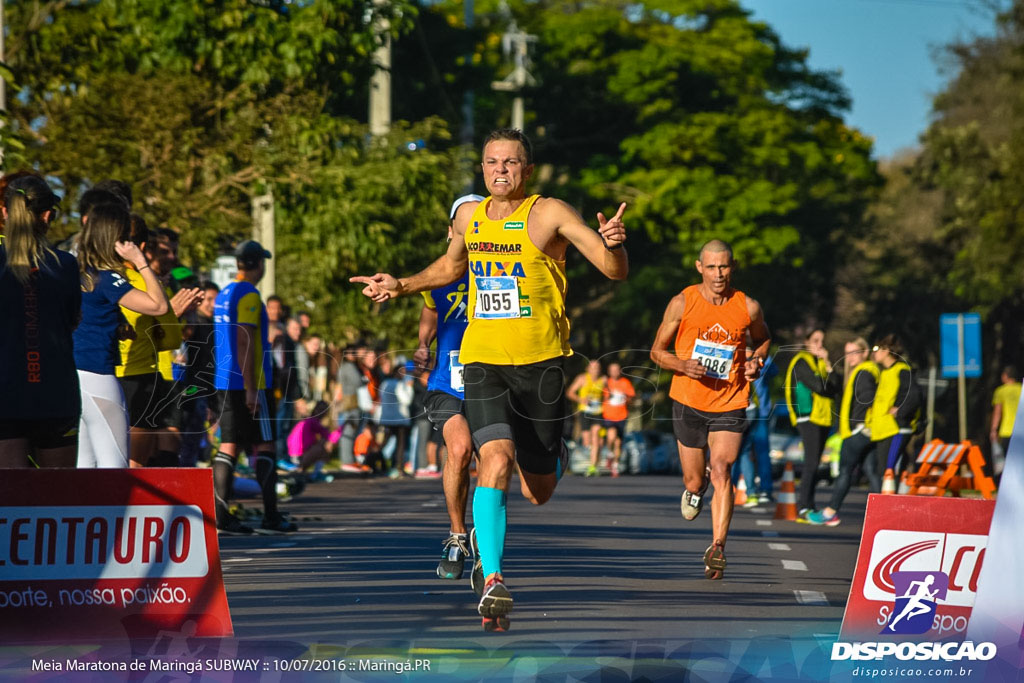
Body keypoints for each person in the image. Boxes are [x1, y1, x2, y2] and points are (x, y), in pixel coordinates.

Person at [351, 128, 628, 631]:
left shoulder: (549, 213)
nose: (501, 170)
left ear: (528, 169)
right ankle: (495, 578)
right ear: (482, 170)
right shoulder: (472, 219)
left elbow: (612, 270)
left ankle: (551, 456)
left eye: (511, 162)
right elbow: (451, 266)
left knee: (537, 490)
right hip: (483, 361)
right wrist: (403, 284)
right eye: (492, 162)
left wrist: (615, 245)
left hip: (541, 366)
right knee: (493, 459)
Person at [650, 239, 770, 580]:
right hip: (688, 400)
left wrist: (756, 361)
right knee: (696, 478)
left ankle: (717, 547)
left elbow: (762, 340)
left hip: (731, 400)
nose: (719, 274)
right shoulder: (682, 302)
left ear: (733, 266)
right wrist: (682, 365)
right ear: (699, 267)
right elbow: (656, 351)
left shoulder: (748, 306)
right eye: (712, 267)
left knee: (721, 470)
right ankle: (693, 488)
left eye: (725, 267)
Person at [412, 193, 482, 581]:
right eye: (463, 222)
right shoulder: (438, 274)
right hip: (447, 381)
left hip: (491, 377)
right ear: (451, 230)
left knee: (493, 463)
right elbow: (430, 310)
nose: (470, 229)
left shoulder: (496, 269)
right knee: (458, 448)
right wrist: (424, 345)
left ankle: (485, 539)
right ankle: (457, 535)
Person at [74, 202, 170, 467]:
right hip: (99, 378)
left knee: (84, 468)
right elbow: (159, 306)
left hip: (71, 378)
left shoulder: (74, 271)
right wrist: (141, 261)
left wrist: (115, 327)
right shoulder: (106, 279)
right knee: (114, 468)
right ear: (114, 239)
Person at [212, 240, 297, 534]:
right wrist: (251, 387)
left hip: (224, 378)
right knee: (266, 445)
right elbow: (244, 339)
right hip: (250, 381)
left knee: (229, 444)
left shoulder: (223, 294)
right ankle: (271, 516)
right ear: (258, 264)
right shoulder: (249, 294)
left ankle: (221, 516)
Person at [0, 174, 81, 467]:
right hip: (56, 393)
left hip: (6, 393)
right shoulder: (66, 265)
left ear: (5, 212)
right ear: (47, 215)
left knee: (11, 501)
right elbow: (72, 322)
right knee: (59, 499)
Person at [805, 337, 879, 526]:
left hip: (857, 431)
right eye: (847, 353)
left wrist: (859, 426)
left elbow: (868, 398)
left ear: (864, 353)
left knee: (845, 471)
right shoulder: (866, 371)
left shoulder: (863, 373)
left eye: (854, 353)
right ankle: (882, 516)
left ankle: (830, 512)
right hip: (868, 431)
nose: (849, 358)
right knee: (872, 471)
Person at [784, 329, 839, 518]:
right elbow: (821, 388)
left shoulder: (821, 363)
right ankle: (804, 506)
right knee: (811, 463)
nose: (820, 345)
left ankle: (809, 503)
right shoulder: (801, 362)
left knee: (814, 463)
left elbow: (835, 386)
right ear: (806, 342)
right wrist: (827, 382)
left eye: (822, 341)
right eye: (815, 340)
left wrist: (829, 364)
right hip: (807, 417)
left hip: (822, 418)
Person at [868, 334, 921, 479]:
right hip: (884, 429)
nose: (874, 352)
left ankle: (893, 502)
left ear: (886, 351)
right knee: (882, 471)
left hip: (896, 428)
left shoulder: (902, 370)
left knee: (888, 471)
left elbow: (914, 394)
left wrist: (900, 410)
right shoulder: (886, 372)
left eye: (876, 349)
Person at [732, 352, 777, 507]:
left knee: (738, 451)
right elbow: (773, 371)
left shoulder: (737, 354)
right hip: (758, 410)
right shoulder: (760, 357)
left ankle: (733, 489)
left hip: (745, 409)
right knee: (751, 451)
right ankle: (760, 490)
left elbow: (772, 371)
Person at [566, 359, 606, 476]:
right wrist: (580, 399)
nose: (595, 370)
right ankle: (593, 461)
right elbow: (570, 392)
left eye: (597, 368)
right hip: (585, 412)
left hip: (598, 412)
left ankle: (593, 466)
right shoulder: (582, 378)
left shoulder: (603, 380)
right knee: (587, 441)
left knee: (596, 436)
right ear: (588, 369)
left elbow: (609, 394)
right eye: (593, 367)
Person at [601, 361, 636, 477]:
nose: (615, 372)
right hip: (609, 415)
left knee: (618, 442)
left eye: (617, 369)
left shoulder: (625, 383)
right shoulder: (606, 383)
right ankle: (610, 454)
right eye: (613, 370)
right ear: (609, 371)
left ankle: (615, 466)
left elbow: (632, 398)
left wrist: (627, 399)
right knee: (611, 437)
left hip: (621, 416)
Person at [989, 365, 1020, 478]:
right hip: (1021, 431)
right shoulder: (1021, 389)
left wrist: (994, 429)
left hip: (1006, 430)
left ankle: (1010, 484)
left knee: (1008, 461)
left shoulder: (1001, 391)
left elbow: (998, 412)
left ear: (1005, 376)